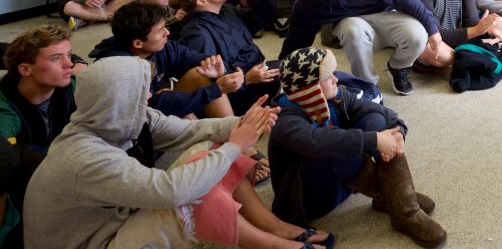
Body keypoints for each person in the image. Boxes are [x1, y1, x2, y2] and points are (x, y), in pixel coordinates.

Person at [23, 56, 333, 249]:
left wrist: (243, 123)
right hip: (95, 242)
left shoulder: (125, 117)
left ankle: (272, 227)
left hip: (116, 221)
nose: (150, 93)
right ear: (119, 101)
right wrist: (236, 144)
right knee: (194, 192)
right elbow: (173, 192)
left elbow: (191, 131)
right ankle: (273, 245)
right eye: (141, 89)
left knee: (209, 151)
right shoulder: (84, 156)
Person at [269, 48, 445, 247]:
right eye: (328, 77)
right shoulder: (283, 119)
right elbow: (320, 142)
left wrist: (398, 132)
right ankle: (404, 208)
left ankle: (398, 202)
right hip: (309, 200)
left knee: (377, 121)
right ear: (309, 89)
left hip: (343, 182)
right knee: (339, 144)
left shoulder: (335, 95)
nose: (336, 79)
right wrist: (375, 140)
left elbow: (380, 111)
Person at [283, 0, 442, 96]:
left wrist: (432, 29)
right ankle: (366, 84)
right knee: (353, 28)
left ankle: (398, 67)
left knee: (418, 34)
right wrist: (283, 69)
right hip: (352, 26)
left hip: (385, 16)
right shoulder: (306, 4)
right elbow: (296, 39)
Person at [89, 1, 244, 123]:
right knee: (169, 99)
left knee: (201, 74)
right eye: (160, 30)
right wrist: (216, 89)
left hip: (155, 104)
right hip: (133, 123)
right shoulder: (121, 69)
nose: (167, 33)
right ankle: (223, 144)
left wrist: (220, 72)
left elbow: (199, 60)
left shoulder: (164, 48)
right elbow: (150, 107)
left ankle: (235, 137)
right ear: (138, 43)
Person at [0, 26, 78, 247]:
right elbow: (6, 162)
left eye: (69, 55)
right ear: (25, 69)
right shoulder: (5, 111)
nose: (68, 64)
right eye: (56, 59)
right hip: (29, 185)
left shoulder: (70, 86)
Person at [171, 0, 281, 114]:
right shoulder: (197, 34)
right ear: (202, 0)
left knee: (310, 63)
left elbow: (262, 17)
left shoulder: (226, 11)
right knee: (307, 69)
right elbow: (212, 84)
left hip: (258, 73)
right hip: (240, 94)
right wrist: (247, 79)